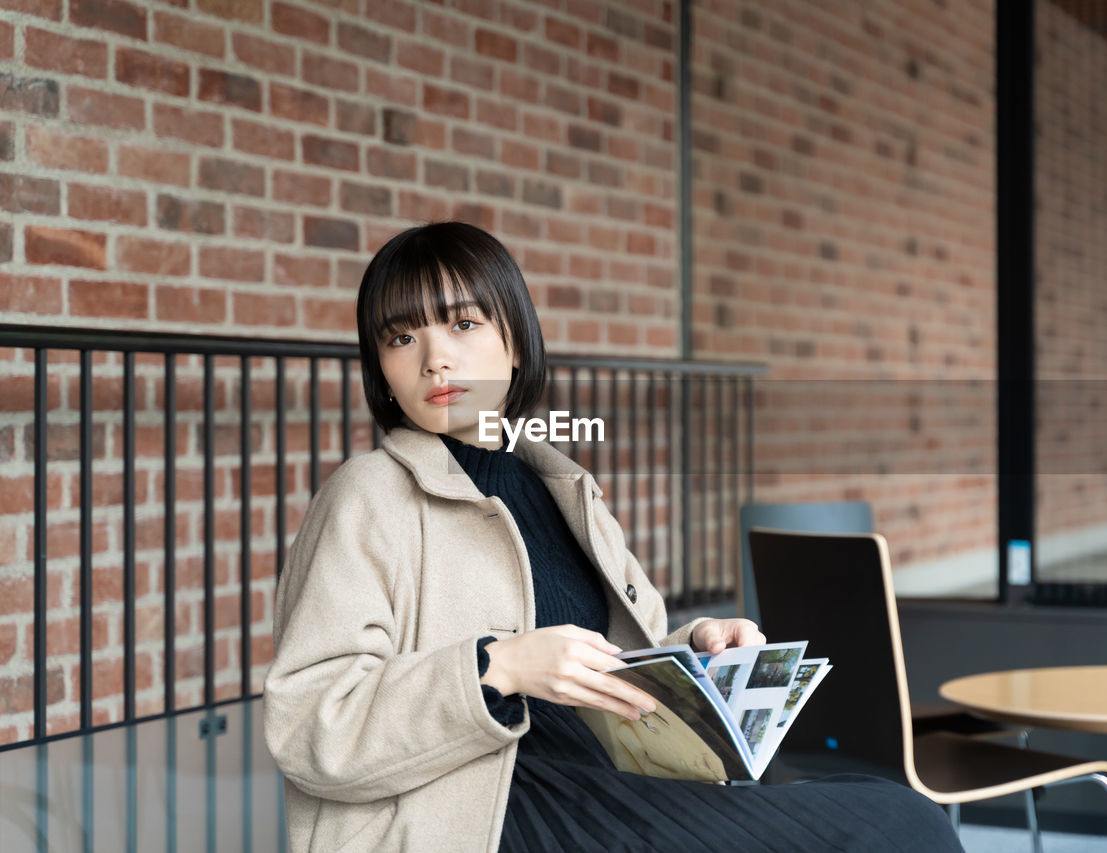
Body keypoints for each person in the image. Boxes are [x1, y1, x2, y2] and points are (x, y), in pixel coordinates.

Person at [262, 222, 965, 852]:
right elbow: (308, 724)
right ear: (381, 365)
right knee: (894, 831)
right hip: (484, 809)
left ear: (515, 338)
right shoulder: (369, 494)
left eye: (463, 324)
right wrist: (496, 668)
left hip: (606, 779)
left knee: (896, 812)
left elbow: (625, 656)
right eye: (402, 336)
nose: (435, 359)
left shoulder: (561, 486)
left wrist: (698, 644)